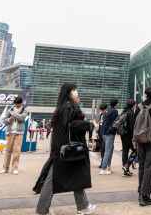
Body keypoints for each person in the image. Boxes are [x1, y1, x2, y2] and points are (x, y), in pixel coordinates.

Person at [35, 83, 97, 215]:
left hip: (63, 147)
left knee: (77, 175)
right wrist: (88, 125)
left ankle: (83, 206)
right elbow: (70, 125)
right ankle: (41, 211)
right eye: (74, 90)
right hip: (67, 148)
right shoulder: (68, 106)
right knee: (52, 179)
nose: (76, 92)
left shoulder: (63, 106)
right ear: (69, 92)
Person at [134, 87, 151, 206]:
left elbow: (133, 123)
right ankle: (145, 197)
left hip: (140, 140)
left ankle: (140, 192)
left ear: (145, 95)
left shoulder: (138, 107)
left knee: (141, 165)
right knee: (149, 167)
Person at [0, 96, 28, 175]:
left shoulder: (24, 110)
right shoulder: (9, 110)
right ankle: (5, 168)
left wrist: (12, 114)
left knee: (17, 151)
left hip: (19, 133)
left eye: (18, 104)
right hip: (9, 132)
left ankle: (15, 168)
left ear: (21, 103)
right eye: (15, 104)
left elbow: (22, 118)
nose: (16, 105)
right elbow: (4, 121)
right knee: (8, 151)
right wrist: (9, 119)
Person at [100, 99, 118, 174]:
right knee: (108, 151)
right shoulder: (114, 111)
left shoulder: (106, 111)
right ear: (116, 104)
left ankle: (108, 167)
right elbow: (115, 122)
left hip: (104, 133)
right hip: (109, 133)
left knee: (110, 150)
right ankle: (103, 169)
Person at [120, 99, 137, 177]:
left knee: (125, 152)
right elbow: (132, 127)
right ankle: (127, 165)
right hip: (129, 136)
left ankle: (125, 170)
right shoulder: (131, 113)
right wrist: (133, 137)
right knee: (135, 150)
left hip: (123, 134)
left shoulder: (124, 112)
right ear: (133, 106)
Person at [97, 104, 108, 168]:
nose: (102, 111)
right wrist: (98, 132)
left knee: (104, 149)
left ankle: (105, 163)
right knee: (101, 149)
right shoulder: (101, 115)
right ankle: (102, 162)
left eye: (103, 110)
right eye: (101, 110)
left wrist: (103, 121)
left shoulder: (107, 114)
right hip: (101, 133)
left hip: (105, 133)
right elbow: (99, 125)